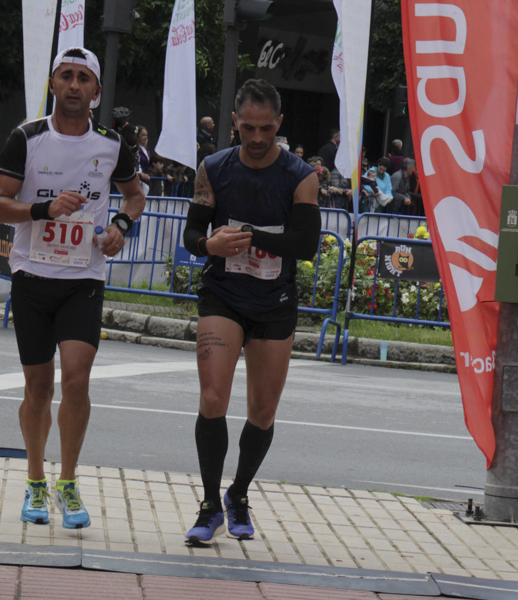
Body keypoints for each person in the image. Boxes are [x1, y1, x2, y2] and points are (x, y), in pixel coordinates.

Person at [0, 47, 145, 530]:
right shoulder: (26, 138)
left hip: (84, 279)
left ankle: (68, 481)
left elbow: (135, 196)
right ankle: (36, 479)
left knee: (76, 380)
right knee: (38, 386)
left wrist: (119, 224)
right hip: (32, 274)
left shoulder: (114, 144)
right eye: (66, 76)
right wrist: (42, 210)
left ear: (96, 92)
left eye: (83, 79)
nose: (74, 85)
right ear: (53, 83)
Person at [180, 78, 320, 546]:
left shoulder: (301, 176)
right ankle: (208, 504)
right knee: (213, 399)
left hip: (274, 303)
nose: (257, 139)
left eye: (266, 129)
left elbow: (306, 245)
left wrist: (250, 237)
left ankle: (238, 494)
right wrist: (209, 245)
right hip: (223, 295)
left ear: (279, 125)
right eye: (248, 129)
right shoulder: (213, 168)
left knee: (262, 409)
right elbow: (191, 234)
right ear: (235, 123)